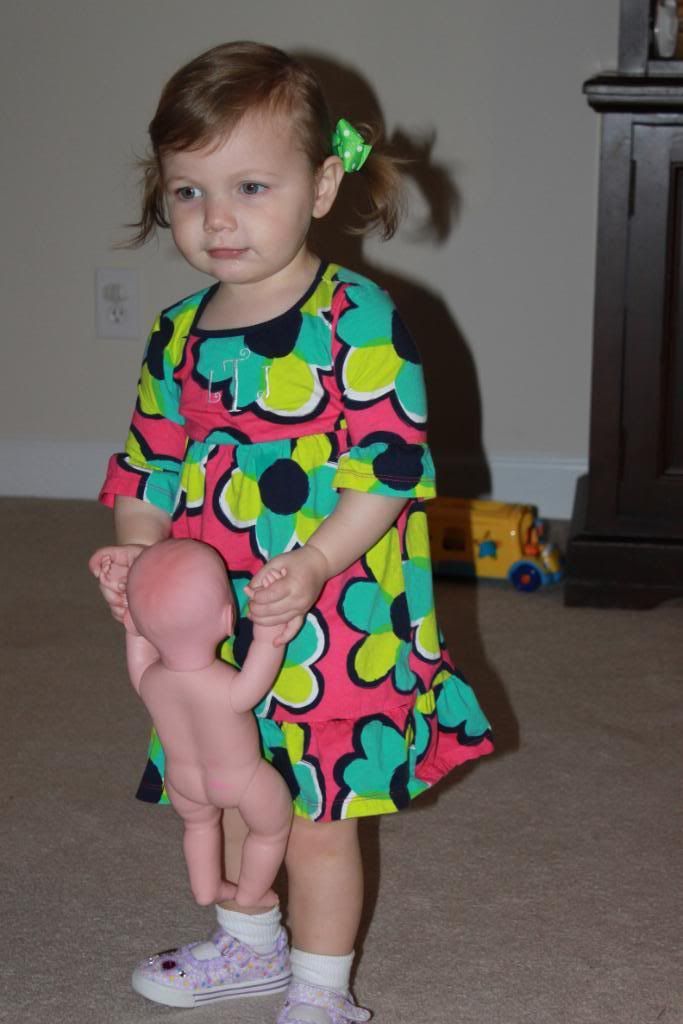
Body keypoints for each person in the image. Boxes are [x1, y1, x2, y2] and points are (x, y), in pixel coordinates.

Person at [92, 40, 494, 1024]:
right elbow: (147, 464)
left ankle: (321, 990)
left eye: (249, 186)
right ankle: (247, 943)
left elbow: (387, 470)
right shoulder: (177, 334)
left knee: (315, 812)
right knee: (228, 784)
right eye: (188, 192)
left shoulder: (358, 317)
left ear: (320, 187)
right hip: (212, 620)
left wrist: (314, 562)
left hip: (335, 614)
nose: (216, 218)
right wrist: (136, 553)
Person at [90, 538, 292, 911]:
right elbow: (264, 661)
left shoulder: (150, 682)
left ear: (134, 620)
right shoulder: (226, 688)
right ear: (228, 619)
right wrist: (270, 631)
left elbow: (137, 646)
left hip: (183, 783)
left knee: (199, 826)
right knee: (272, 829)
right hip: (239, 781)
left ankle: (205, 888)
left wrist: (133, 628)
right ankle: (251, 893)